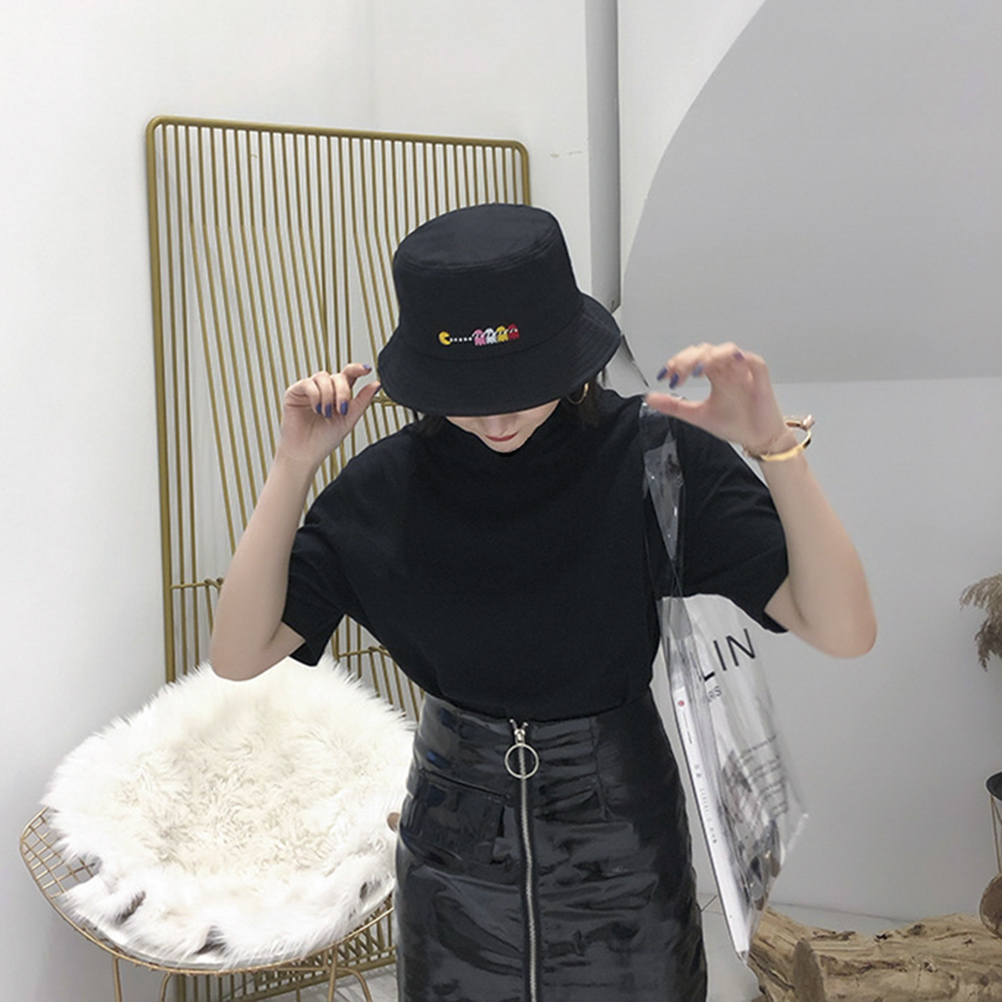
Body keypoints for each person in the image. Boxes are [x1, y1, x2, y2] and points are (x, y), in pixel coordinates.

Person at [209, 203, 876, 1002]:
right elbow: (239, 654)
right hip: (451, 860)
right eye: (468, 392)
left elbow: (843, 629)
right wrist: (293, 464)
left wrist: (776, 449)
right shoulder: (387, 489)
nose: (496, 417)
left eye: (521, 385)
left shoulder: (652, 457)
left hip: (624, 856)